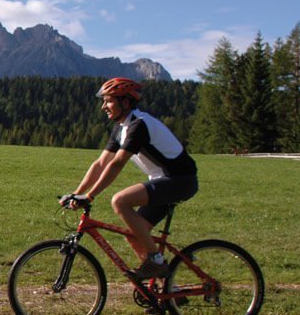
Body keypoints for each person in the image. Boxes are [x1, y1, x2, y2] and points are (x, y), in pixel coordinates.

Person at [61, 77, 198, 280]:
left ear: (125, 102)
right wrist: (77, 193)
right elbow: (100, 164)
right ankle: (167, 290)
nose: (103, 107)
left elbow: (116, 164)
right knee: (133, 236)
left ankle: (156, 261)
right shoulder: (121, 128)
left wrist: (89, 197)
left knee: (120, 201)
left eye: (108, 101)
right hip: (163, 180)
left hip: (179, 180)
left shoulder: (138, 125)